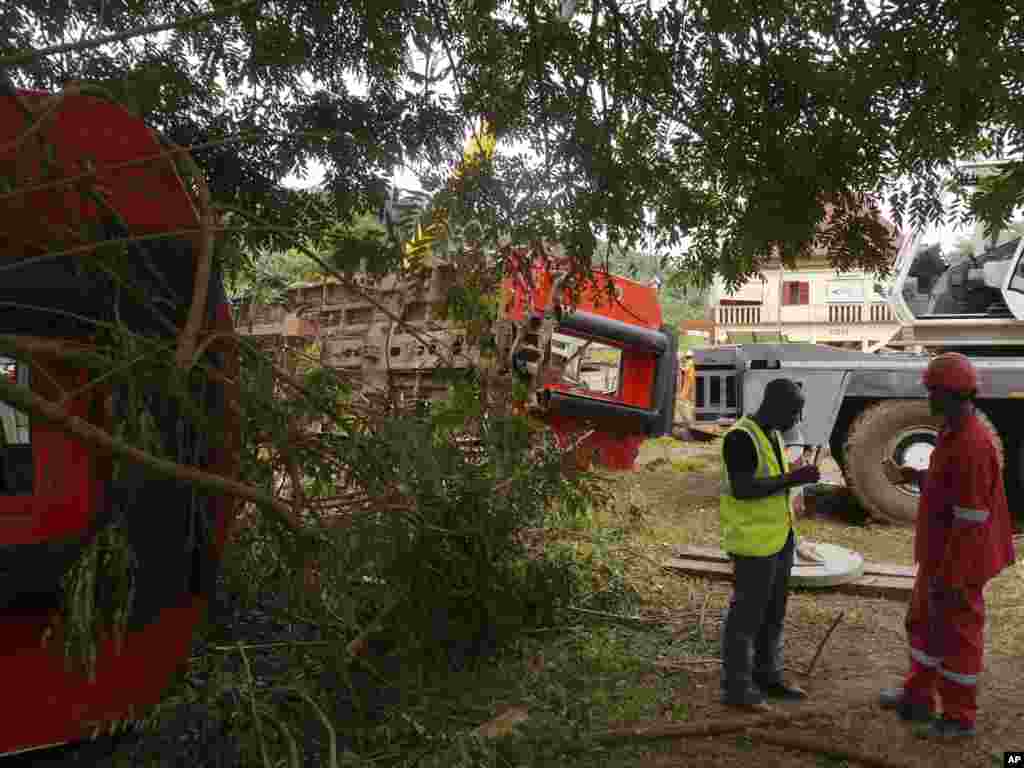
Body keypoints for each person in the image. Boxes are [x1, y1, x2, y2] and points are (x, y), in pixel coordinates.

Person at [878, 352, 1016, 738]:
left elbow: (972, 520)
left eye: (931, 391)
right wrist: (917, 476)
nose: (928, 399)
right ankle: (918, 697)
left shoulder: (973, 444)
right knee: (923, 622)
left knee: (958, 633)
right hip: (941, 553)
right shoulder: (952, 432)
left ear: (951, 394)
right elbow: (949, 488)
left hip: (961, 559)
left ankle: (958, 717)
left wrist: (951, 576)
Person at [719, 378, 820, 711]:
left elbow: (771, 480)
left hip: (779, 538)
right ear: (775, 407)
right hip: (753, 545)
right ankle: (737, 688)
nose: (797, 419)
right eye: (795, 411)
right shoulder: (739, 437)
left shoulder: (773, 435)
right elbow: (744, 488)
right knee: (746, 619)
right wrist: (793, 478)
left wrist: (794, 473)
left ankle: (767, 676)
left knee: (773, 614)